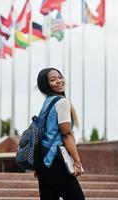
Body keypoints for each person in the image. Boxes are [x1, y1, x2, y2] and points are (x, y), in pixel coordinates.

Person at [35, 67, 85, 200]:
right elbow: (66, 134)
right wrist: (77, 162)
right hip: (56, 160)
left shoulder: (47, 103)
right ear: (46, 85)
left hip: (43, 162)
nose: (59, 81)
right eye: (53, 79)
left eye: (59, 77)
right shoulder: (61, 102)